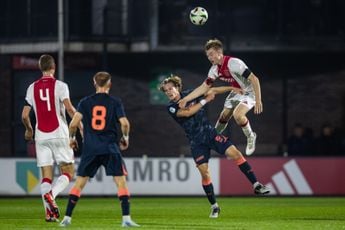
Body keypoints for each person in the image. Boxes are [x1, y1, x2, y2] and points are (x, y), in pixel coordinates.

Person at [159, 75, 269, 218]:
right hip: (196, 142)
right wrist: (205, 100)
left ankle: (256, 185)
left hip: (211, 134)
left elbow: (214, 90)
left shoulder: (191, 95)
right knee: (205, 174)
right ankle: (214, 206)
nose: (168, 92)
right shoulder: (171, 107)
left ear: (177, 87)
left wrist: (231, 88)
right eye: (166, 90)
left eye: (171, 88)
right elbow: (187, 113)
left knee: (236, 153)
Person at [59, 71, 139, 227]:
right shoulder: (115, 102)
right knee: (121, 183)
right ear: (110, 84)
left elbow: (73, 124)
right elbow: (125, 124)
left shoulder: (85, 102)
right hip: (110, 147)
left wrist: (72, 139)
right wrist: (126, 138)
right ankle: (126, 219)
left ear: (94, 83)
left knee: (79, 184)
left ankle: (67, 218)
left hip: (91, 148)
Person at [178, 38, 263, 156]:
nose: (209, 58)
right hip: (237, 92)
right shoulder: (214, 70)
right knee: (223, 117)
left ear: (219, 53)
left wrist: (258, 100)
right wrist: (186, 99)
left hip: (250, 91)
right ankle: (212, 139)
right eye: (208, 56)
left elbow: (254, 79)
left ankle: (250, 136)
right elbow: (204, 87)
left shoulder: (234, 63)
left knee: (238, 115)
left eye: (211, 54)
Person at [21, 54, 77, 222]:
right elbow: (69, 109)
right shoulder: (60, 86)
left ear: (40, 68)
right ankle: (51, 195)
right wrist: (80, 126)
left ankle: (49, 213)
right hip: (59, 133)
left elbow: (24, 115)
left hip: (41, 136)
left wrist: (29, 130)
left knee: (46, 175)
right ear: (54, 68)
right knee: (68, 171)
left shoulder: (32, 87)